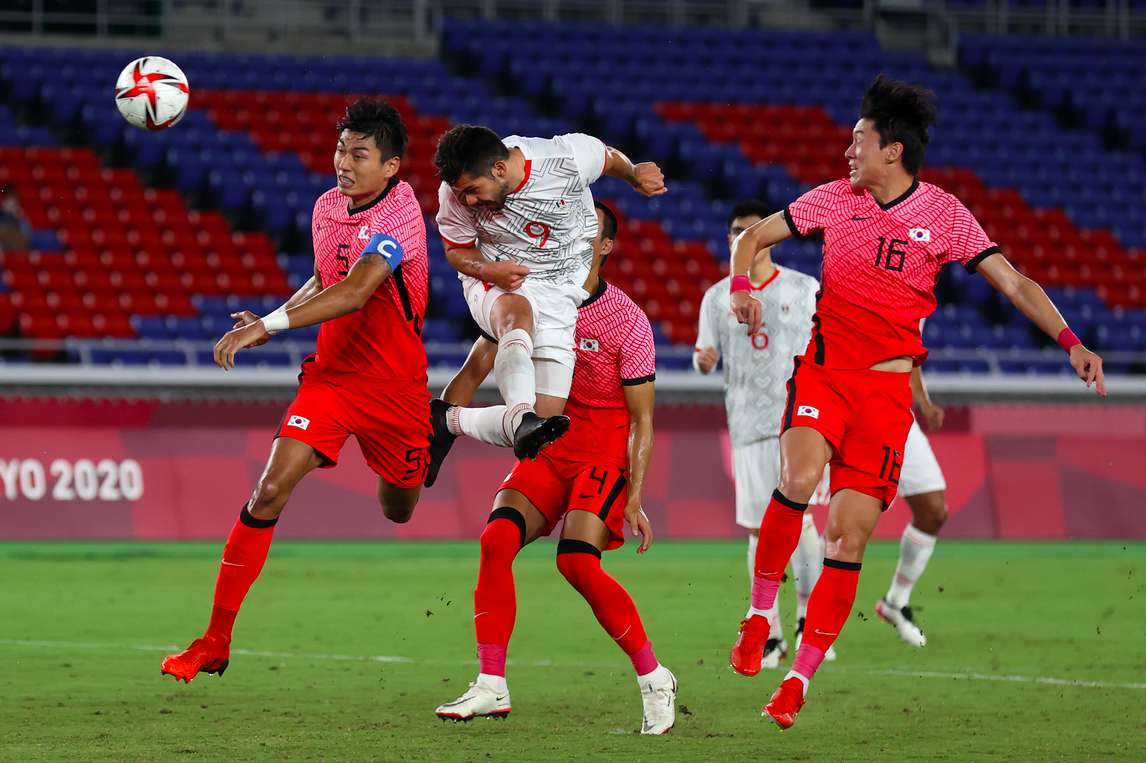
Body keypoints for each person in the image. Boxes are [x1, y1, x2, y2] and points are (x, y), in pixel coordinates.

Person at [726, 75, 1105, 729]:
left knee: (848, 539)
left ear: (891, 151)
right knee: (799, 476)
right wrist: (737, 282)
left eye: (858, 140)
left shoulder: (946, 216)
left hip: (884, 394)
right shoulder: (830, 200)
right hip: (823, 373)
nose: (848, 151)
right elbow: (751, 238)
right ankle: (759, 614)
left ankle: (795, 681)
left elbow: (1012, 282)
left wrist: (1071, 339)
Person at [161, 99, 431, 682]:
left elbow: (359, 290)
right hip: (332, 380)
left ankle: (435, 437)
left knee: (400, 508)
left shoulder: (400, 215)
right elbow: (326, 277)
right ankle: (215, 639)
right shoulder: (327, 207)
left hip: (395, 390)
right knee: (269, 490)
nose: (343, 163)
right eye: (340, 150)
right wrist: (279, 315)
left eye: (359, 154)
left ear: (390, 167)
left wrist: (270, 325)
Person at [433, 201, 676, 735]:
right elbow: (475, 368)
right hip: (548, 453)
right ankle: (491, 684)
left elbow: (643, 420)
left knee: (577, 565)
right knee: (495, 541)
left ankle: (655, 678)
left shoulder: (627, 320)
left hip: (601, 459)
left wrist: (634, 497)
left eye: (588, 232)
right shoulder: (531, 301)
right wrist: (435, 426)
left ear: (606, 246)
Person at [428, 124, 665, 478]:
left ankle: (449, 420)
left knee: (545, 426)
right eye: (464, 195)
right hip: (497, 275)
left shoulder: (566, 159)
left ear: (499, 169)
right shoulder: (453, 193)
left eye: (474, 191)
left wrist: (633, 175)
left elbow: (609, 157)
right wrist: (489, 271)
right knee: (515, 312)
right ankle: (520, 416)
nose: (470, 201)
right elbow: (457, 250)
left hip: (560, 291)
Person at [694, 199, 833, 671]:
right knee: (759, 528)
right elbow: (702, 354)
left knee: (807, 520)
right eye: (736, 230)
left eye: (753, 230)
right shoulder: (716, 297)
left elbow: (827, 345)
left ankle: (808, 620)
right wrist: (704, 361)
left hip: (804, 420)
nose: (744, 238)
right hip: (749, 425)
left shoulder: (804, 286)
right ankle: (770, 632)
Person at [874, 365, 949, 647]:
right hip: (848, 404)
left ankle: (896, 601)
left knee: (933, 511)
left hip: (896, 410)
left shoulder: (917, 318)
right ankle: (803, 625)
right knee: (842, 519)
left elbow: (910, 353)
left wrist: (924, 403)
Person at [0, 185, 30, 252]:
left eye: (13, 196)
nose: (11, 199)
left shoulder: (20, 214)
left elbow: (26, 236)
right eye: (8, 196)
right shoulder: (1, 213)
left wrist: (17, 216)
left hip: (18, 245)